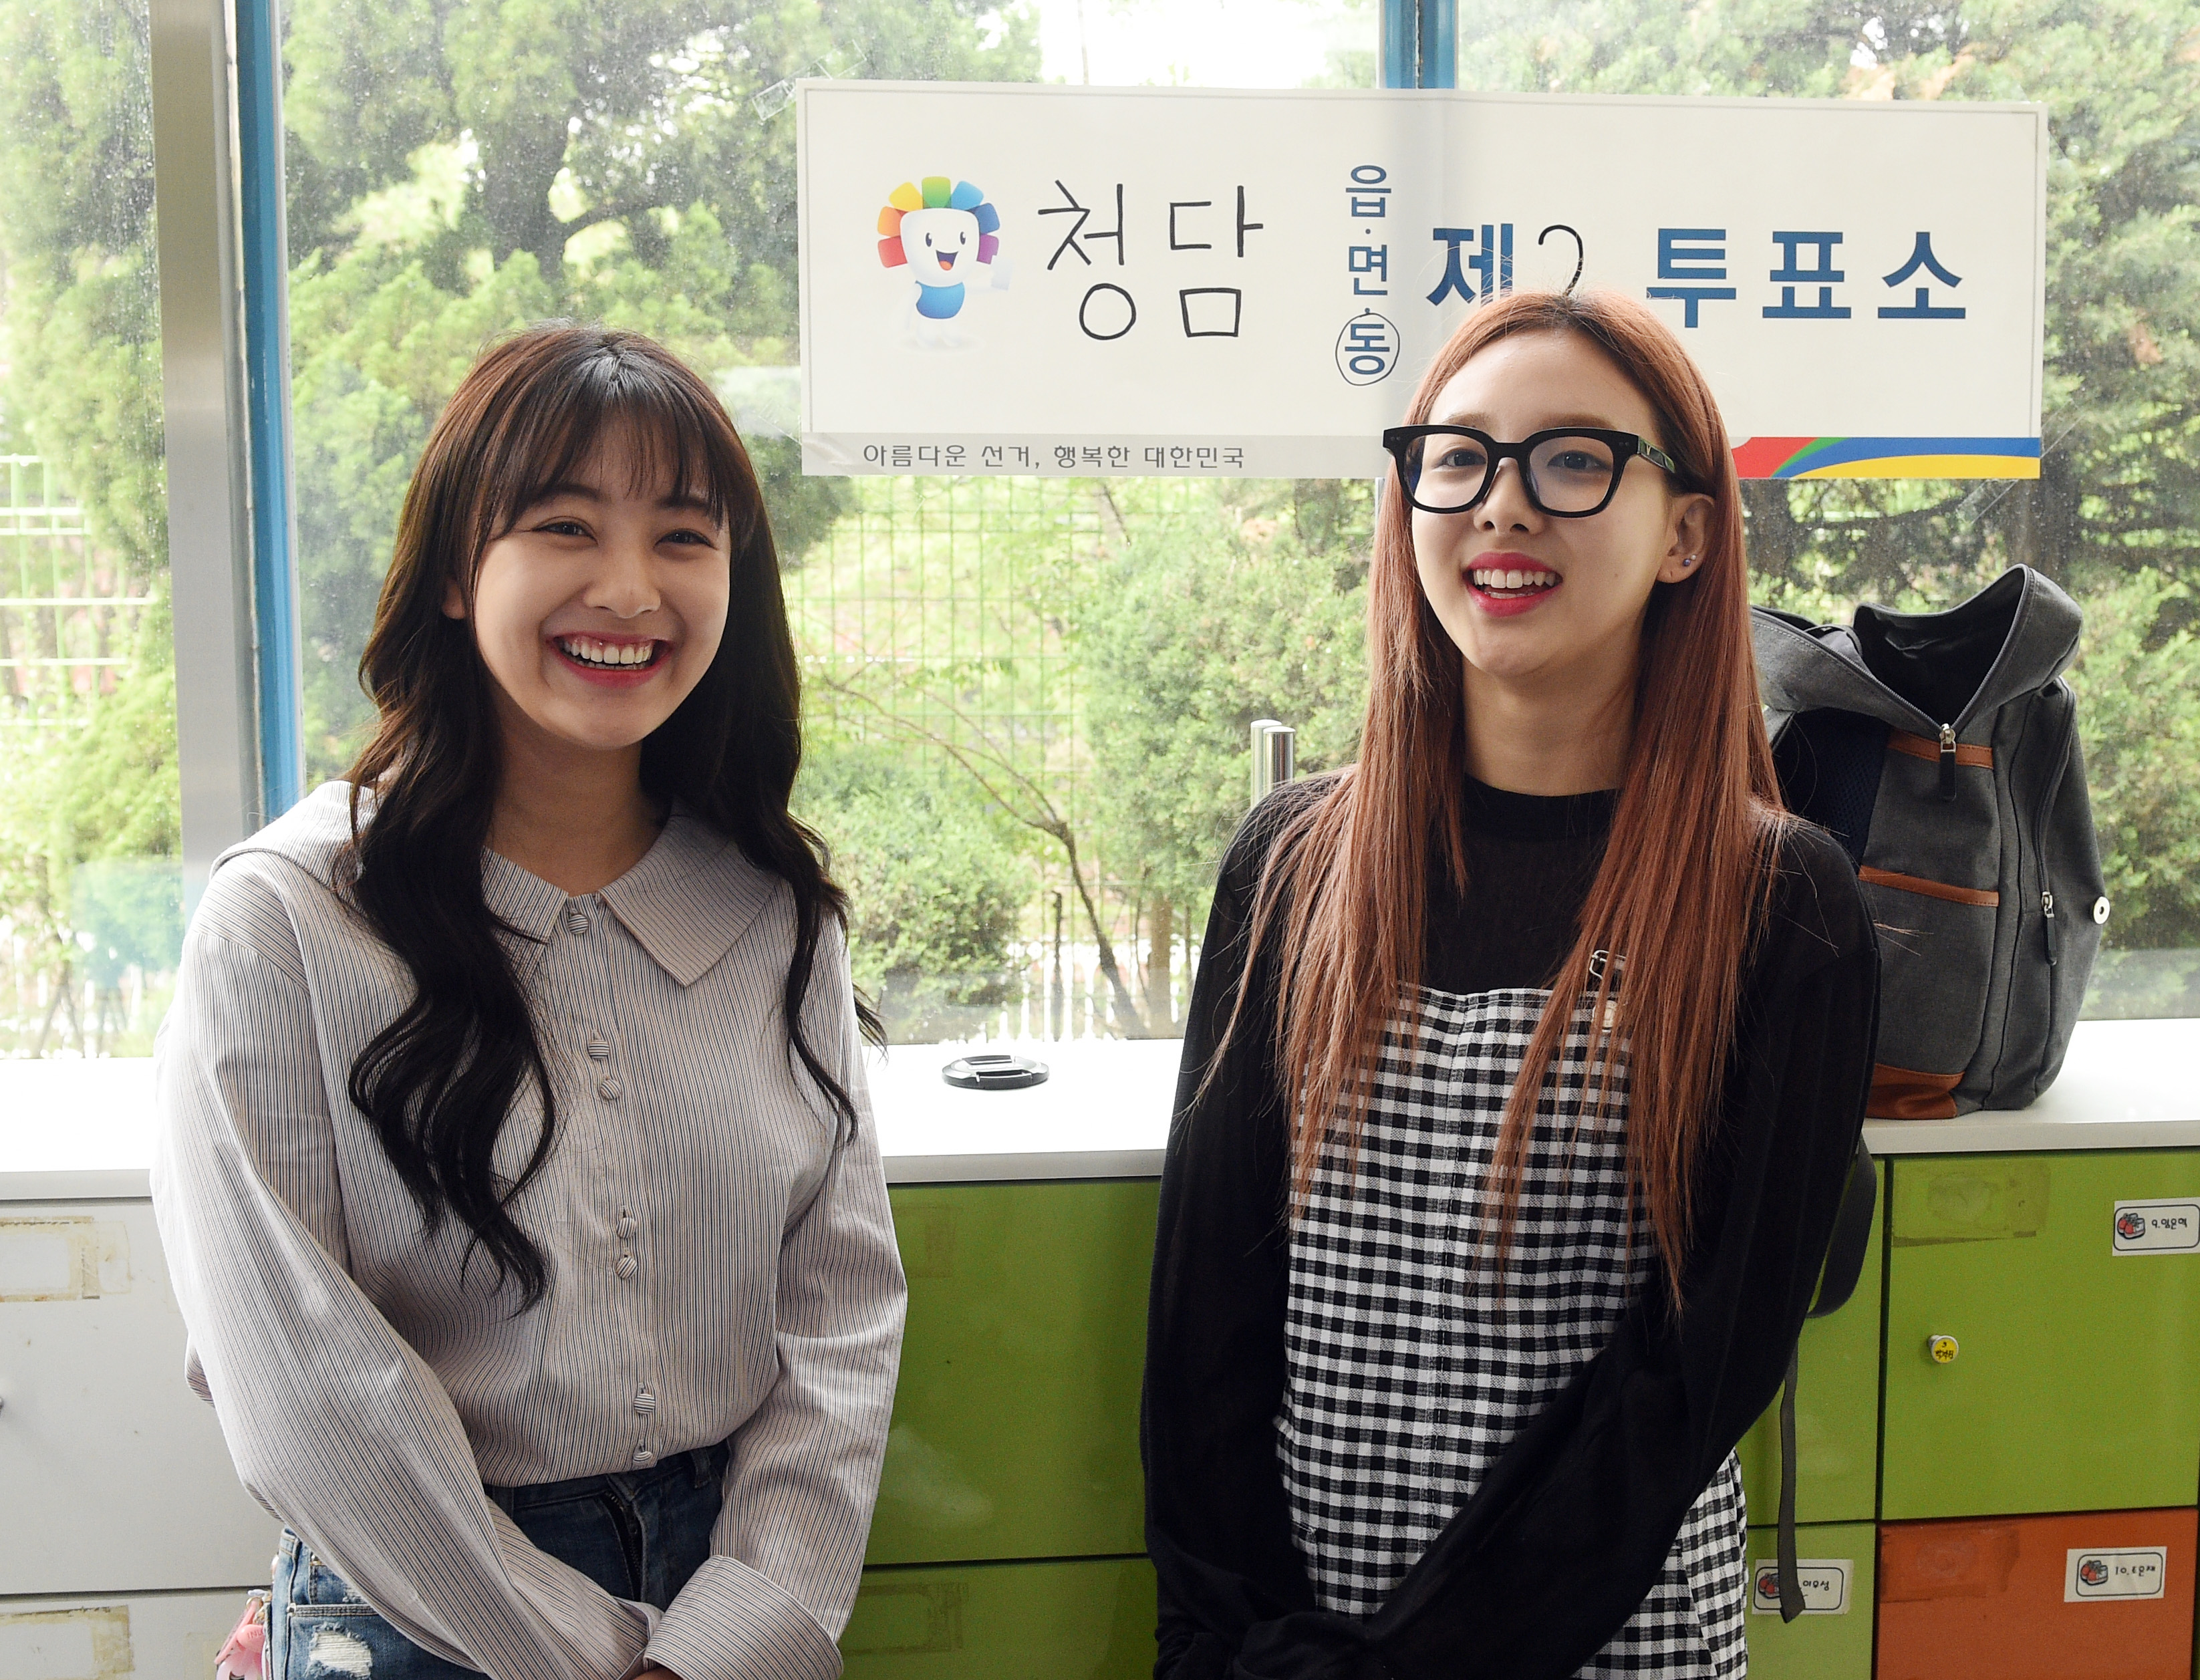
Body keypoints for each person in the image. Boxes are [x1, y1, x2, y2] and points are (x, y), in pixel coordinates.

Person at [1141, 290, 1879, 1680]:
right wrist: (1226, 1641)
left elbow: (1691, 1379)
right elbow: (1206, 1329)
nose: (1501, 504)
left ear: (1686, 533)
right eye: (1459, 456)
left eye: (1573, 459)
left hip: (1610, 1641)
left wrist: (1408, 1664)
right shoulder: (1293, 864)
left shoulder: (1778, 901)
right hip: (1296, 1641)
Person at [151, 324, 906, 1680]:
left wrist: (727, 1641)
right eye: (565, 525)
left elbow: (838, 1316)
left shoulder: (772, 910)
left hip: (731, 1598)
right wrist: (604, 1660)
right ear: (455, 571)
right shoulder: (289, 921)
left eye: (684, 537)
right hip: (420, 1604)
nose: (629, 588)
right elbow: (302, 1385)